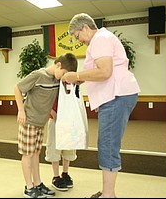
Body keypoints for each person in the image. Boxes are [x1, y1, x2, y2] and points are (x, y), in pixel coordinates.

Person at [61, 13, 141, 198]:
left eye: (77, 36)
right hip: (116, 95)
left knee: (108, 145)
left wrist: (77, 76)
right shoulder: (102, 38)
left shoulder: (100, 39)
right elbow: (101, 71)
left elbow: (105, 71)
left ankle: (109, 195)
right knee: (107, 143)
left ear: (85, 28)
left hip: (116, 96)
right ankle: (107, 192)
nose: (78, 40)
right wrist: (82, 80)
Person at [14, 53, 78, 198]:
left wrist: (51, 111)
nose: (63, 77)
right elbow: (17, 88)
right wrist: (21, 110)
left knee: (36, 153)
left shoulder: (56, 80)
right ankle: (28, 187)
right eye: (63, 74)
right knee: (28, 154)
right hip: (29, 121)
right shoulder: (38, 75)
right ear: (58, 65)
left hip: (40, 122)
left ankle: (37, 183)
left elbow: (45, 98)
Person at [45, 96, 77, 192]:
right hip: (55, 118)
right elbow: (45, 99)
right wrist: (51, 111)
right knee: (54, 148)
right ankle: (56, 176)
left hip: (69, 119)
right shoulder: (52, 82)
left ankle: (65, 173)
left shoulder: (71, 82)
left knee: (69, 147)